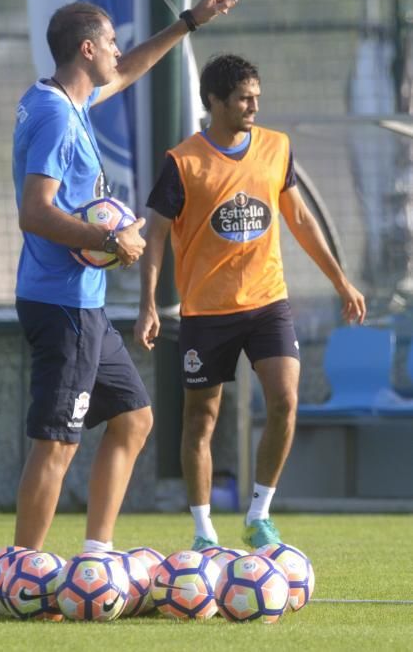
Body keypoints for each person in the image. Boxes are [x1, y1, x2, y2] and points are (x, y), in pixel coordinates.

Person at [12, 0, 238, 553]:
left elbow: (133, 67)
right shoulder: (57, 117)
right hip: (61, 302)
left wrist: (190, 21)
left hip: (81, 304)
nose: (117, 48)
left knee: (135, 418)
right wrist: (113, 240)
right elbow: (34, 212)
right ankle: (22, 570)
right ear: (87, 49)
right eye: (109, 41)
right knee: (56, 441)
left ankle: (95, 555)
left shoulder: (68, 101)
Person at [134, 54, 367, 551]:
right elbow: (153, 235)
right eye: (244, 97)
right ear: (215, 102)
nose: (254, 105)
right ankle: (202, 531)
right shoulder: (183, 162)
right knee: (202, 418)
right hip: (207, 312)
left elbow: (300, 219)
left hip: (268, 303)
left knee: (285, 400)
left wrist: (341, 282)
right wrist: (149, 303)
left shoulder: (276, 148)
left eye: (257, 96)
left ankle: (259, 514)